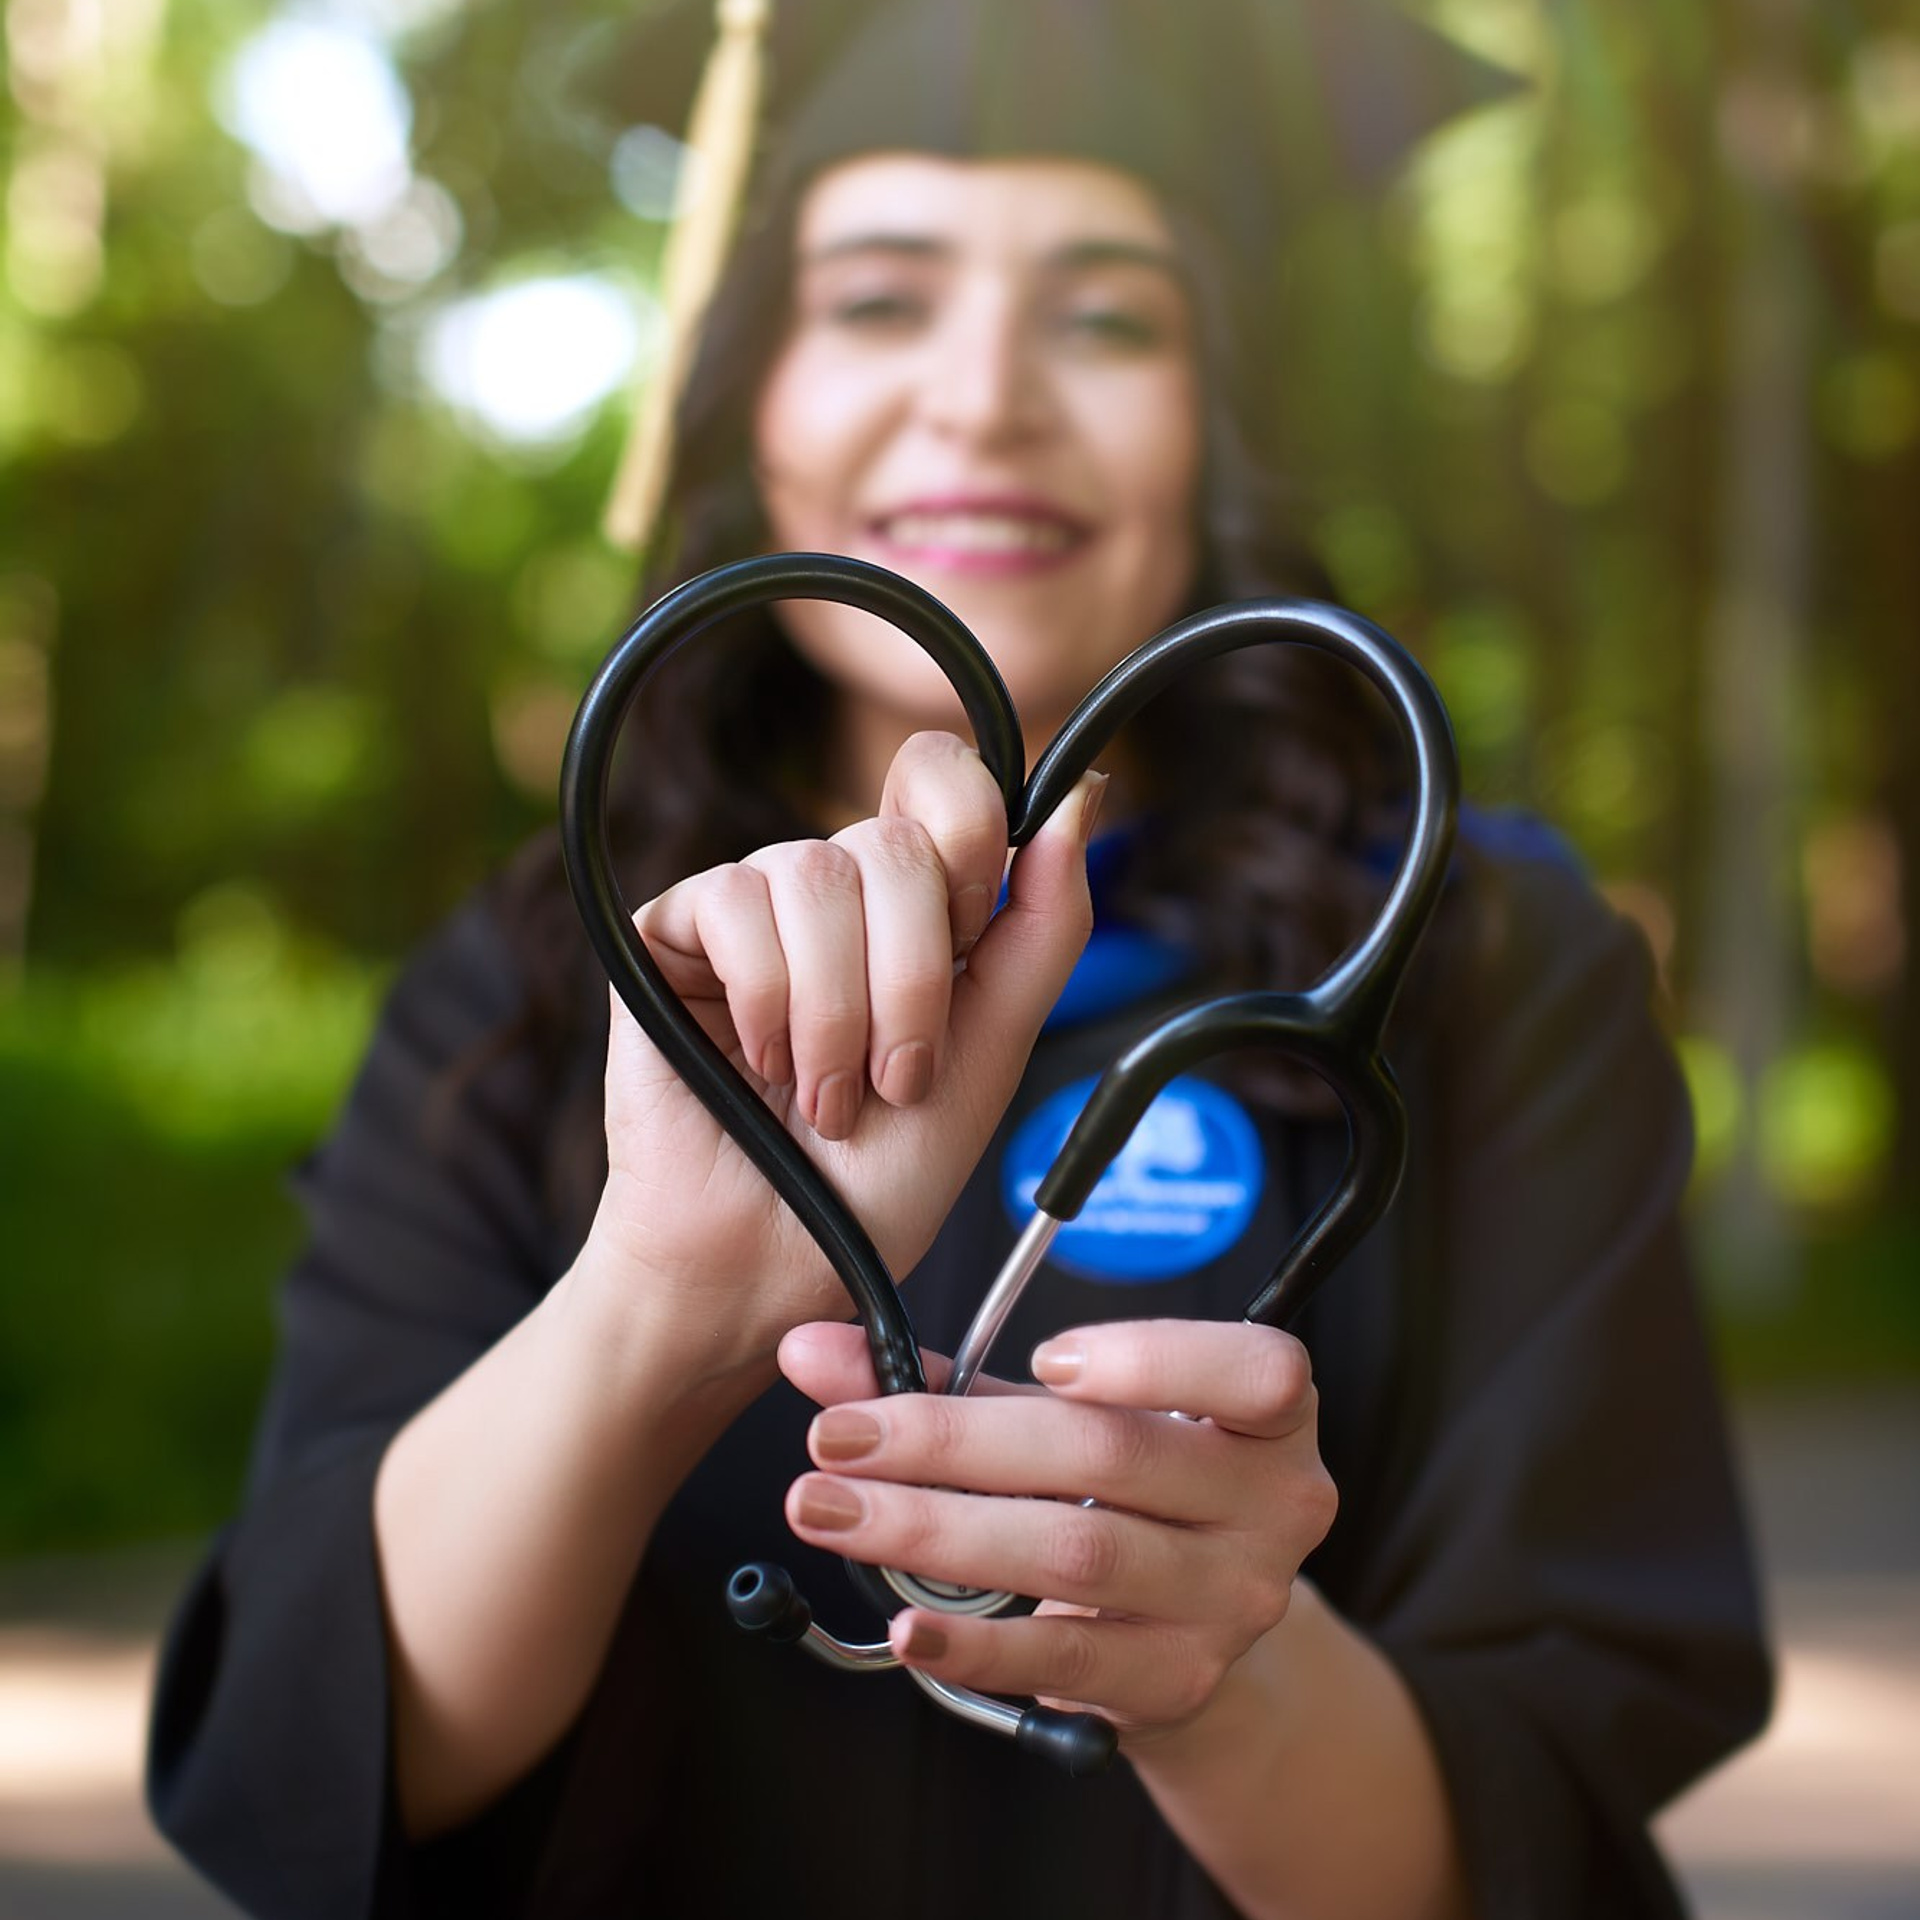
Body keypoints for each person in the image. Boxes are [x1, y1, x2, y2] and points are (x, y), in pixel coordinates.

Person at [147, 3, 1771, 1916]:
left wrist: (1217, 1670)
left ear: (1221, 411)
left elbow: (1537, 1827)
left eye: (1107, 317)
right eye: (878, 299)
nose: (986, 395)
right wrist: (660, 1295)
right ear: (744, 389)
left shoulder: (1491, 971)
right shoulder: (531, 987)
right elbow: (313, 1767)